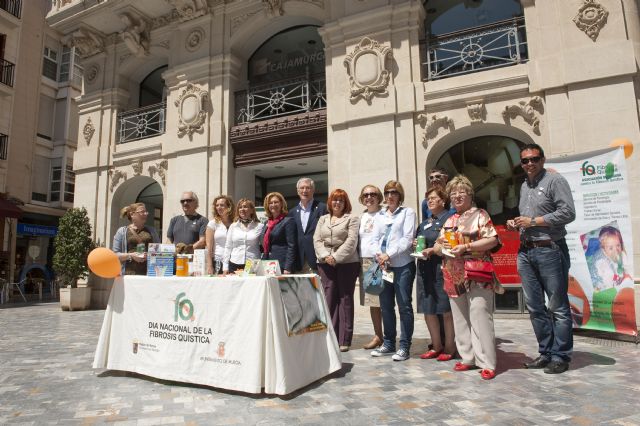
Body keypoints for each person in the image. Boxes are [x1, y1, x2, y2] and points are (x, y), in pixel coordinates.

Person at [507, 143, 576, 375]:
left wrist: (534, 221)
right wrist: (516, 223)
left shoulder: (555, 181)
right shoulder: (524, 186)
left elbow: (568, 212)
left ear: (543, 160)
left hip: (550, 249)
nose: (530, 163)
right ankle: (545, 353)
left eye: (534, 159)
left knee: (557, 306)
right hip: (526, 251)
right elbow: (527, 219)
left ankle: (560, 356)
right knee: (535, 307)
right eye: (525, 160)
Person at [434, 175, 501, 380]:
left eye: (461, 192)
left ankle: (487, 362)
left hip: (477, 271)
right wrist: (440, 248)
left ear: (470, 194)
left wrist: (467, 247)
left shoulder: (480, 215)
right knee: (460, 317)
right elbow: (437, 245)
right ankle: (468, 357)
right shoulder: (450, 219)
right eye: (453, 193)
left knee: (480, 314)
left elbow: (492, 240)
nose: (457, 196)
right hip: (453, 273)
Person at [369, 180, 416, 362]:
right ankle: (389, 343)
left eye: (394, 192)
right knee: (386, 306)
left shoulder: (407, 212)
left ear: (400, 195)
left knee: (404, 305)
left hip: (402, 265)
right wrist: (380, 256)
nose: (390, 196)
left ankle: (404, 346)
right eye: (387, 192)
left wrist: (389, 254)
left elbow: (407, 238)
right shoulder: (379, 215)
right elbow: (374, 239)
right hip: (384, 266)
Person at [313, 189, 360, 352]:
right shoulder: (323, 219)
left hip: (347, 262)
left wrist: (336, 257)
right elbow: (317, 239)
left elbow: (351, 240)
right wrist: (325, 256)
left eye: (341, 200)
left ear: (345, 203)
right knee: (329, 297)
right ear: (330, 202)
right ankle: (331, 337)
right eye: (335, 200)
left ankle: (344, 339)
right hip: (325, 262)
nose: (337, 203)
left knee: (345, 299)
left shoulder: (352, 218)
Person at [415, 187, 456, 361]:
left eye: (433, 198)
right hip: (425, 269)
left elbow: (451, 243)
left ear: (443, 201)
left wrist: (433, 250)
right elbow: (419, 241)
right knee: (428, 309)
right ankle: (436, 346)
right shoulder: (425, 223)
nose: (429, 201)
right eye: (428, 199)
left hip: (442, 268)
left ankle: (450, 347)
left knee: (445, 309)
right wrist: (416, 245)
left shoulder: (449, 219)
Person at [357, 185, 384, 350]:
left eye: (373, 194)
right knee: (373, 302)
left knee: (385, 301)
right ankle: (378, 336)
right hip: (365, 261)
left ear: (379, 197)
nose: (369, 197)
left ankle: (389, 336)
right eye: (366, 195)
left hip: (381, 260)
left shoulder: (385, 214)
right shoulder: (362, 217)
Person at [289, 177, 327, 273]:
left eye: (308, 188)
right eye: (302, 188)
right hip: (298, 260)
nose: (304, 190)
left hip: (317, 258)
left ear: (313, 190)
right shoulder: (292, 212)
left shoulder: (323, 208)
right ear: (297, 191)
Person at [113, 202, 160, 275]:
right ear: (132, 214)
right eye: (142, 212)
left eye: (146, 212)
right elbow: (115, 255)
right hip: (128, 275)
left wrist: (149, 255)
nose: (145, 214)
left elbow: (159, 252)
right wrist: (131, 256)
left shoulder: (152, 231)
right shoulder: (122, 231)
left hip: (149, 274)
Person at [222, 198, 264, 274]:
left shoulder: (259, 226)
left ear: (252, 210)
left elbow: (265, 246)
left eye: (245, 207)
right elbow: (228, 247)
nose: (242, 209)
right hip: (235, 263)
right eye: (240, 207)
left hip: (253, 264)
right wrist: (225, 267)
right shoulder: (233, 226)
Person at [260, 192, 296, 273]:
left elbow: (292, 246)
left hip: (282, 264)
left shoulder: (288, 221)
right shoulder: (267, 223)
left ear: (281, 204)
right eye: (270, 203)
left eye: (276, 202)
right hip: (268, 263)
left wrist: (288, 267)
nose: (273, 205)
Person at [590, 226, 632, 291]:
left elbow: (628, 265)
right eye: (611, 248)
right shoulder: (602, 262)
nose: (616, 250)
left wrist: (627, 272)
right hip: (602, 281)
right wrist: (621, 282)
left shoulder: (619, 252)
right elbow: (608, 283)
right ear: (603, 249)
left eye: (618, 245)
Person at [206, 195, 234, 275]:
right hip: (218, 262)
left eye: (222, 205)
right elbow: (209, 247)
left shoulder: (235, 223)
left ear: (229, 207)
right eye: (217, 205)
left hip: (233, 262)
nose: (218, 207)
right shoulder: (212, 223)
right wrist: (210, 265)